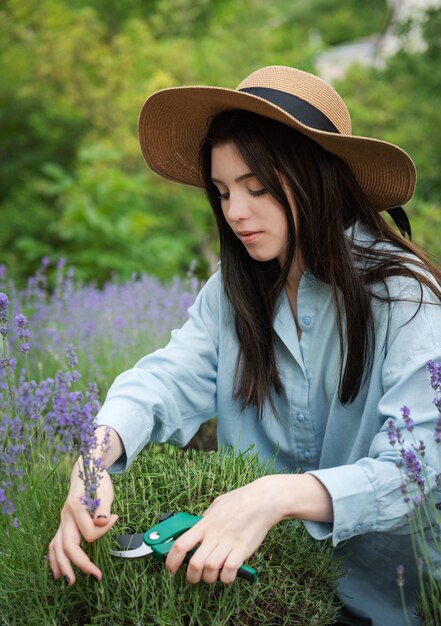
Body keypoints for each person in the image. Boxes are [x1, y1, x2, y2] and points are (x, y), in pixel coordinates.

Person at [49, 66, 441, 626]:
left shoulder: (404, 297)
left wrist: (272, 496)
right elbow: (162, 380)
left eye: (257, 188)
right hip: (268, 592)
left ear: (316, 178)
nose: (234, 212)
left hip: (398, 601)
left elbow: (416, 466)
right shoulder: (232, 291)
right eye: (223, 191)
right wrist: (92, 464)